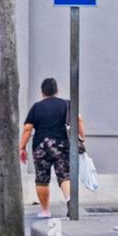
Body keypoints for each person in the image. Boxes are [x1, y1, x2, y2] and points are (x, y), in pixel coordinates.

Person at [19, 77, 86, 218]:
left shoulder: (36, 107)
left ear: (42, 92)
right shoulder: (66, 104)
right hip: (61, 145)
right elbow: (78, 119)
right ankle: (69, 200)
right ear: (57, 90)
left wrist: (22, 147)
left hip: (41, 146)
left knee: (42, 179)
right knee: (65, 175)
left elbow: (27, 129)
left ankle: (45, 211)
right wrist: (82, 136)